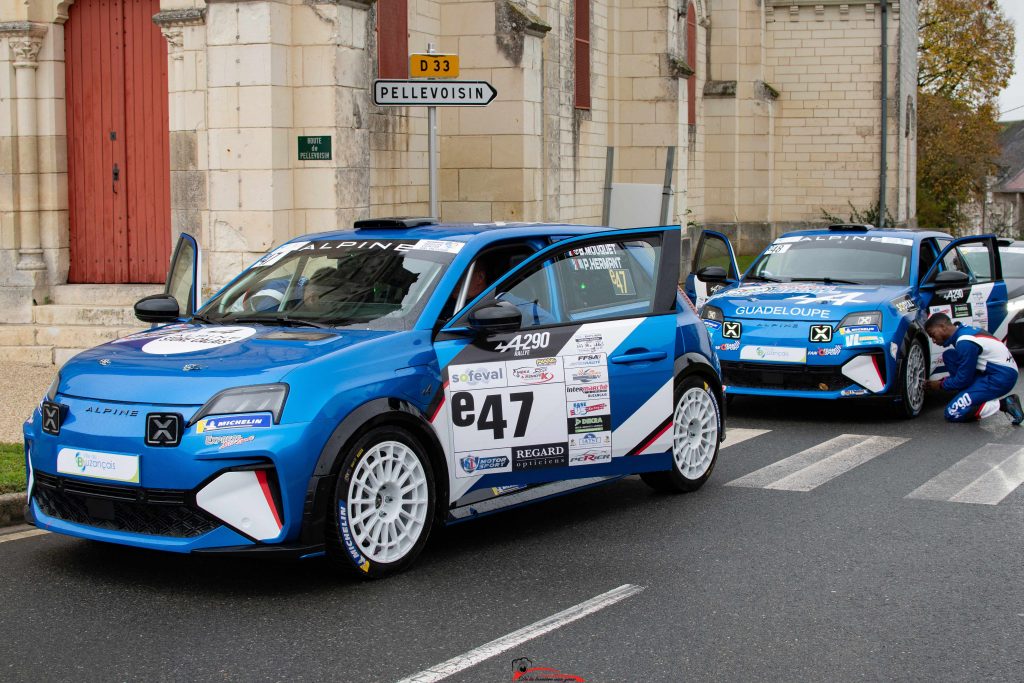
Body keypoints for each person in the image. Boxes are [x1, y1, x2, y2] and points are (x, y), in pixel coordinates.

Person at [924, 312, 1024, 424]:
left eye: (933, 334)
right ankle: (970, 396)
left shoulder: (965, 342)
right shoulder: (962, 331)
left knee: (952, 412)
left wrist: (941, 385)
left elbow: (963, 379)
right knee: (949, 356)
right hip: (997, 372)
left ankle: (1005, 403)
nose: (933, 340)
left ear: (943, 326)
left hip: (1000, 378)